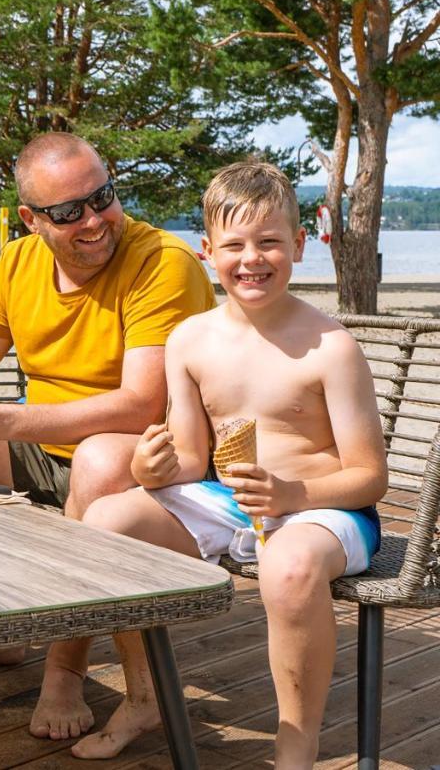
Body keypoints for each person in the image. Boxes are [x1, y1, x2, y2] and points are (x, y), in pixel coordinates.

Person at [0, 132, 216, 736]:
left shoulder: (163, 262)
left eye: (102, 196)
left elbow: (142, 406)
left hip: (151, 462)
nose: (95, 220)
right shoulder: (18, 263)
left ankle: (64, 670)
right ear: (31, 221)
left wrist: (5, 420)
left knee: (102, 461)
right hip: (46, 453)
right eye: (69, 212)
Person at [66, 162, 386, 766]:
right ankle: (144, 696)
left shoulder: (330, 347)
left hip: (323, 508)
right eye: (234, 245)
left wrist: (292, 494)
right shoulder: (190, 340)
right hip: (228, 500)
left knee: (289, 566)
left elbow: (370, 477)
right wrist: (151, 468)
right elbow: (190, 458)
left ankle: (296, 740)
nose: (252, 259)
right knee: (107, 521)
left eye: (269, 242)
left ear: (298, 244)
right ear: (208, 251)